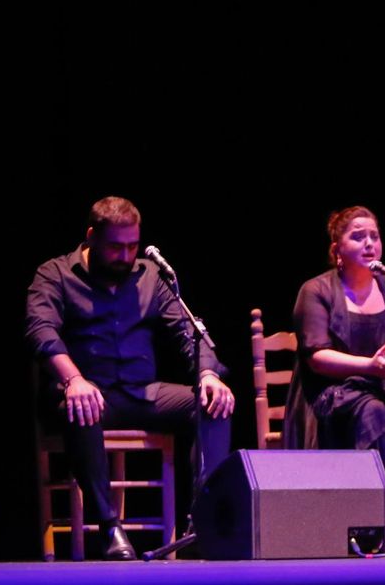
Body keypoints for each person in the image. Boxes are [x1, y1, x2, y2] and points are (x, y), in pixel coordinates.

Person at [26, 196, 235, 560]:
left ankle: (202, 521)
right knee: (82, 406)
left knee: (215, 404)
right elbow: (41, 332)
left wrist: (207, 374)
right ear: (91, 236)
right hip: (88, 393)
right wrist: (73, 379)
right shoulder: (55, 273)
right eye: (116, 247)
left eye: (133, 246)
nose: (125, 256)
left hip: (142, 393)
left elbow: (188, 333)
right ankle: (109, 528)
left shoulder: (150, 276)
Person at [287, 205, 385, 541]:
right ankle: (384, 527)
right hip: (333, 393)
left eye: (374, 236)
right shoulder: (316, 290)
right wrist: (369, 367)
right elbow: (317, 357)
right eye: (358, 236)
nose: (369, 243)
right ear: (337, 249)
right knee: (373, 413)